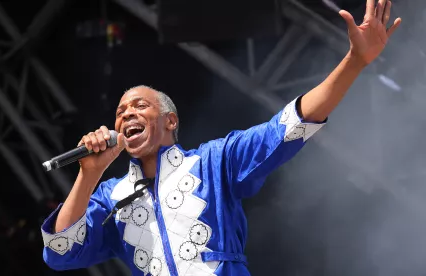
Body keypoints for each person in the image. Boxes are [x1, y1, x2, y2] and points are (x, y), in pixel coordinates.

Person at [40, 1, 401, 275]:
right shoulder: (109, 196)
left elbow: (290, 124)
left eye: (138, 106)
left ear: (170, 121)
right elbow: (60, 252)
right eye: (120, 112)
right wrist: (88, 174)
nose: (126, 114)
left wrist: (355, 60)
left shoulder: (214, 161)